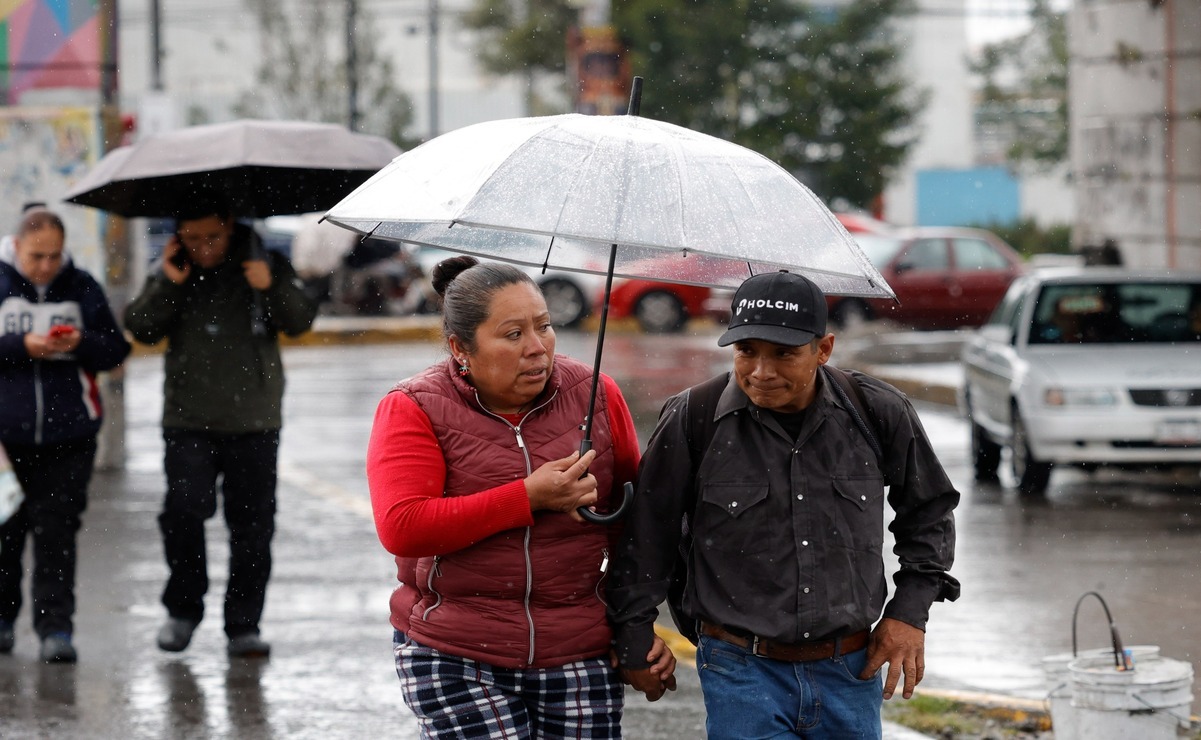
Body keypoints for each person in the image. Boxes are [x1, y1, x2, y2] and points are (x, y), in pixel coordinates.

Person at [607, 270, 960, 739]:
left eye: (784, 354)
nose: (761, 371)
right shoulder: (693, 417)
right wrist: (634, 635)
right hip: (738, 670)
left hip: (851, 670)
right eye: (746, 351)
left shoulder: (877, 411)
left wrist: (907, 613)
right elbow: (646, 537)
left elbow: (929, 512)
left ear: (824, 349)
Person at [366, 256, 673, 738]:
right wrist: (527, 497)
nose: (537, 348)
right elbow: (404, 526)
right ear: (460, 347)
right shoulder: (414, 406)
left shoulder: (596, 395)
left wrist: (633, 629)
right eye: (513, 335)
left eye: (544, 327)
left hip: (577, 647)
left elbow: (635, 521)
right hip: (455, 651)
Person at [123, 193, 318, 658]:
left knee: (252, 528)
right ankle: (183, 611)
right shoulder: (173, 267)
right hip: (188, 419)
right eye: (191, 238)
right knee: (183, 515)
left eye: (211, 236)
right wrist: (169, 283)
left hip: (254, 420)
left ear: (230, 225)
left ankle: (243, 625)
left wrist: (270, 285)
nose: (203, 246)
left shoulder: (264, 261)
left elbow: (299, 322)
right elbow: (141, 327)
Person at [0, 209, 131, 663]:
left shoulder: (81, 285)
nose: (45, 266)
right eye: (37, 256)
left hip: (69, 436)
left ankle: (56, 629)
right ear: (16, 247)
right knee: (4, 533)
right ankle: (2, 622)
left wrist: (78, 343)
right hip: (5, 440)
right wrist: (21, 346)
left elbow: (116, 350)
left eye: (54, 256)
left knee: (56, 534)